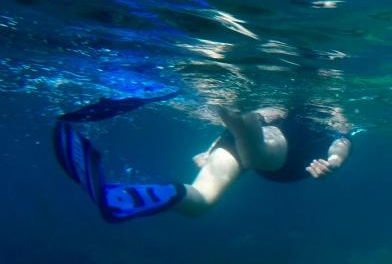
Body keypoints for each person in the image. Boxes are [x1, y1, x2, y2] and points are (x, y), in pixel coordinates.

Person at [53, 95, 354, 223]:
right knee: (256, 153)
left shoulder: (300, 106)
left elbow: (338, 145)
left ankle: (120, 196)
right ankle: (241, 117)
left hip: (249, 139)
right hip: (287, 155)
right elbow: (341, 143)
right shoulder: (331, 114)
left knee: (202, 199)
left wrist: (213, 149)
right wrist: (334, 164)